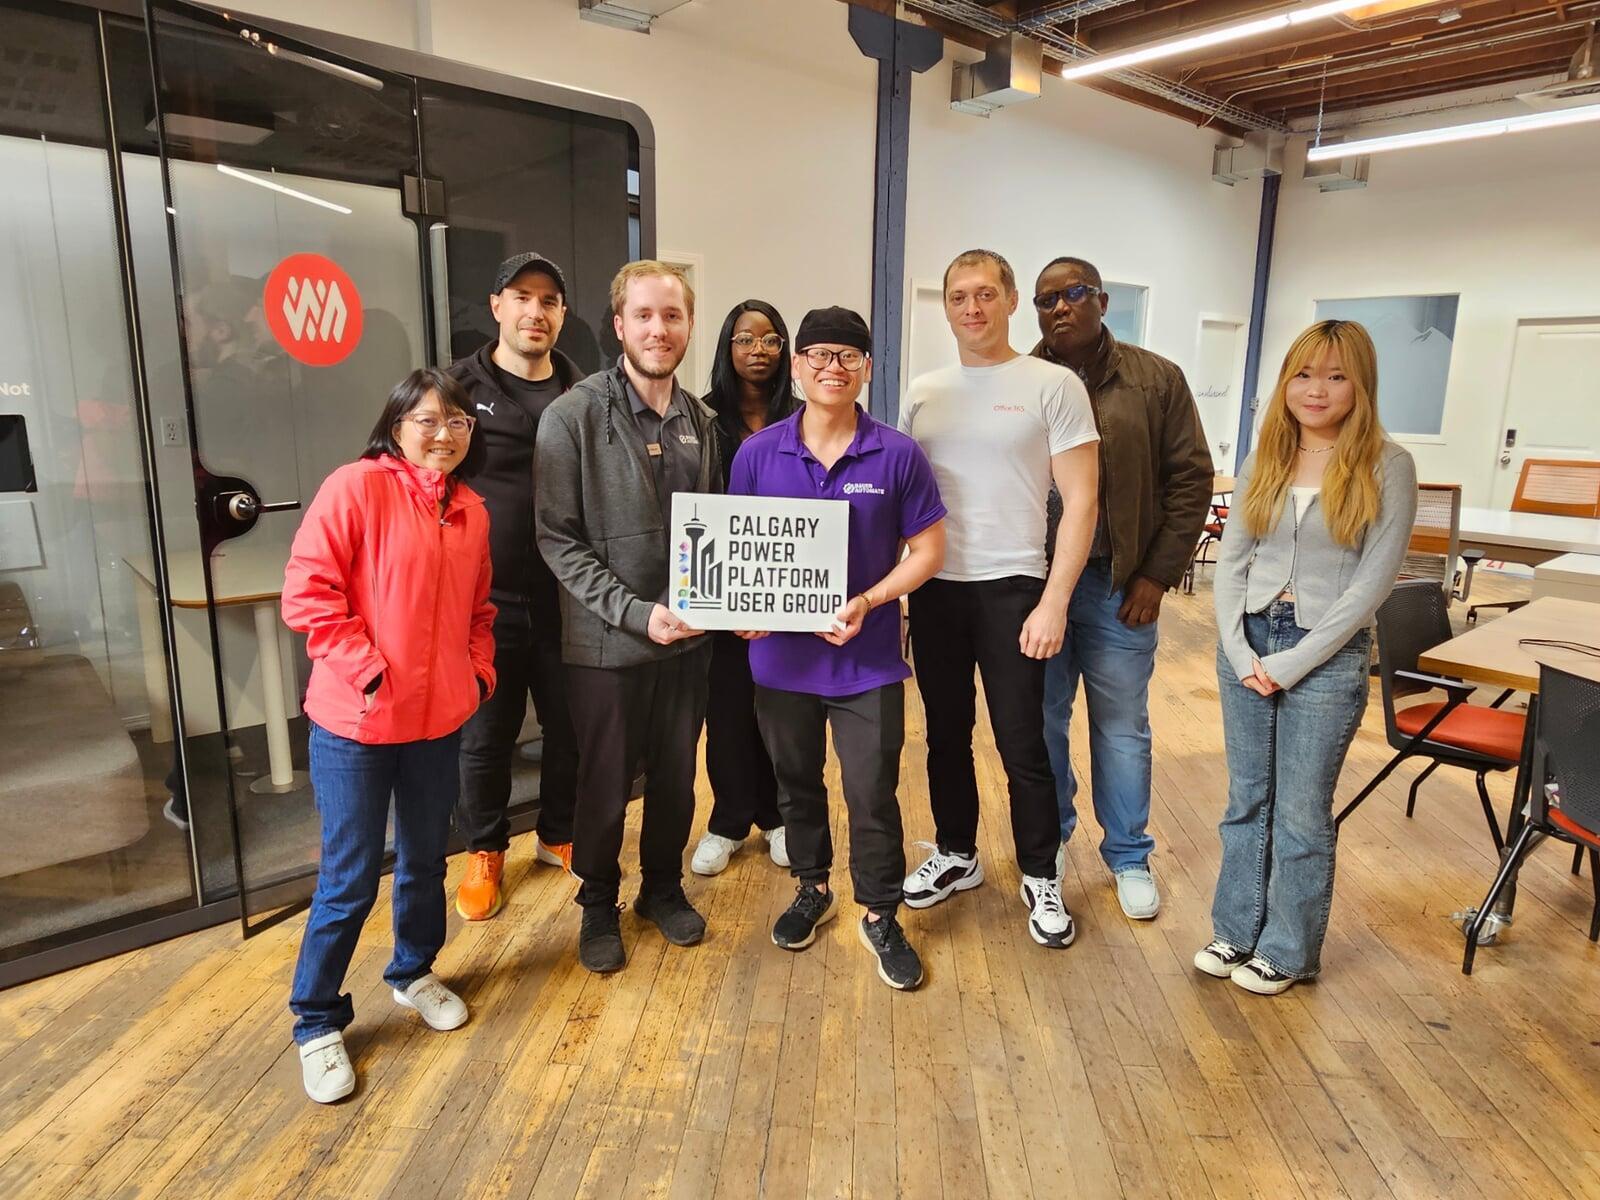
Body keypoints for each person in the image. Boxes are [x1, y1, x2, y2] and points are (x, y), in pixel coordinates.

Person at [282, 368, 496, 1103]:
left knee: (427, 860)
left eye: (459, 421)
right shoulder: (357, 486)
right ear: (397, 423)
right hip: (356, 723)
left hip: (437, 724)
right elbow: (308, 594)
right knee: (347, 878)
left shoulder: (470, 509)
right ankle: (316, 1020)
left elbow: (478, 612)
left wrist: (478, 675)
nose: (445, 433)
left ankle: (412, 971)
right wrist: (370, 673)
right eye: (429, 419)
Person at [730, 306, 947, 990]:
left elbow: (930, 551)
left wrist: (871, 600)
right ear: (796, 367)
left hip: (868, 662)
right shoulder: (757, 453)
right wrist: (743, 610)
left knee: (871, 792)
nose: (832, 368)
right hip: (781, 664)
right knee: (797, 784)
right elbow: (742, 550)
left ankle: (880, 913)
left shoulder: (897, 453)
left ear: (867, 370)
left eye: (848, 357)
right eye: (818, 355)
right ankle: (813, 885)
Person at [1199, 319, 1416, 995]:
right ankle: (1235, 931)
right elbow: (1232, 562)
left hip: (1325, 655)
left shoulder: (1388, 464)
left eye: (1335, 375)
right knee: (1246, 801)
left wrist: (1292, 664)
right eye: (1303, 374)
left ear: (1361, 384)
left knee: (1300, 811)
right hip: (1249, 641)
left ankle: (1288, 951)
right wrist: (1238, 651)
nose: (1315, 390)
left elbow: (1372, 584)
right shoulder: (1270, 456)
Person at [898, 249, 1101, 949]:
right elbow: (908, 501)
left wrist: (1054, 602)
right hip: (935, 590)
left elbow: (1081, 502)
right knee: (944, 736)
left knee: (1023, 744)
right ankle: (956, 854)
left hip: (1015, 589)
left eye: (986, 294)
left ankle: (1041, 873)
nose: (973, 308)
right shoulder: (925, 390)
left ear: (1011, 299)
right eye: (959, 296)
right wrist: (897, 584)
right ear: (946, 306)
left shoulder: (1052, 385)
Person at [535, 260, 720, 974]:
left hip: (687, 643)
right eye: (643, 315)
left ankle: (662, 889)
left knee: (676, 778)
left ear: (687, 325)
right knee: (605, 784)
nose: (658, 329)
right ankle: (598, 903)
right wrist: (636, 613)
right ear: (619, 326)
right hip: (606, 643)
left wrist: (719, 607)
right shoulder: (570, 417)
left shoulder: (702, 421)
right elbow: (557, 538)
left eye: (671, 316)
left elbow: (719, 532)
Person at [1031, 256, 1214, 920]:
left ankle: (1130, 855)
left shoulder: (1156, 380)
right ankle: (1047, 838)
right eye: (1045, 299)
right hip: (1038, 591)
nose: (1059, 307)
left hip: (1118, 585)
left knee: (1121, 728)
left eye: (1073, 294)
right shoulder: (1024, 382)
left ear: (1102, 300)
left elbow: (1191, 478)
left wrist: (1157, 575)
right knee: (1042, 722)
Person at [450, 253, 584, 922]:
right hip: (485, 602)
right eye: (523, 296)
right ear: (497, 305)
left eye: (550, 300)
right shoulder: (455, 388)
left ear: (562, 314)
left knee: (569, 727)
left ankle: (558, 833)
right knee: (487, 737)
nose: (537, 310)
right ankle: (485, 851)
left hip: (568, 598)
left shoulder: (585, 391)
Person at [690, 300, 797, 877]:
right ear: (727, 349)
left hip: (791, 587)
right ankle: (729, 820)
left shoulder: (806, 417)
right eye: (744, 339)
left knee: (781, 711)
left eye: (771, 339)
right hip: (726, 591)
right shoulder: (700, 419)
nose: (758, 349)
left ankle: (780, 816)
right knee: (727, 710)